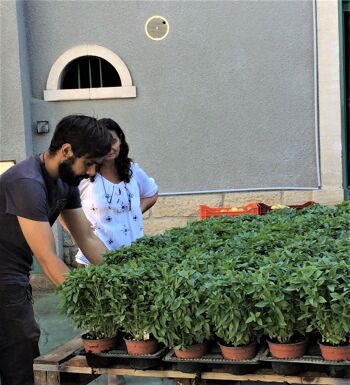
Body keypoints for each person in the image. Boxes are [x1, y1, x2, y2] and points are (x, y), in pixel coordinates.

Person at [0, 115, 112, 385]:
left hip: (13, 272)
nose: (91, 173)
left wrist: (117, 279)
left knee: (21, 348)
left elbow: (86, 236)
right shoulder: (26, 182)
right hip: (5, 276)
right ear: (66, 151)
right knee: (21, 354)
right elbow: (48, 258)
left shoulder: (66, 182)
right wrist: (92, 305)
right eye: (89, 164)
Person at [74, 118, 158, 266]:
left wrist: (135, 212)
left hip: (134, 257)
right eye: (103, 144)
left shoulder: (132, 170)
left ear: (120, 140)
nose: (109, 148)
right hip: (94, 260)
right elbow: (62, 206)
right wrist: (80, 230)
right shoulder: (85, 174)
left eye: (113, 141)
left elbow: (151, 194)